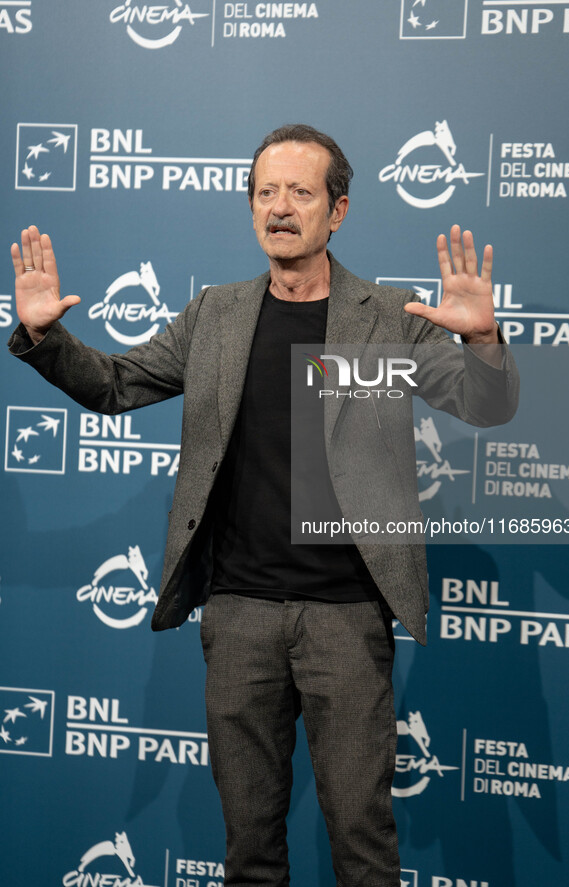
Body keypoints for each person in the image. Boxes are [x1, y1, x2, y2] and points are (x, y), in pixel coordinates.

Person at [9, 124, 518, 887]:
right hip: (239, 615)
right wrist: (47, 337)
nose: (279, 208)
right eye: (265, 192)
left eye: (300, 192)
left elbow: (486, 408)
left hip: (346, 617)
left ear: (337, 211)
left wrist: (482, 342)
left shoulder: (383, 316)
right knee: (249, 848)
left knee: (362, 842)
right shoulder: (215, 315)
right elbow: (114, 385)